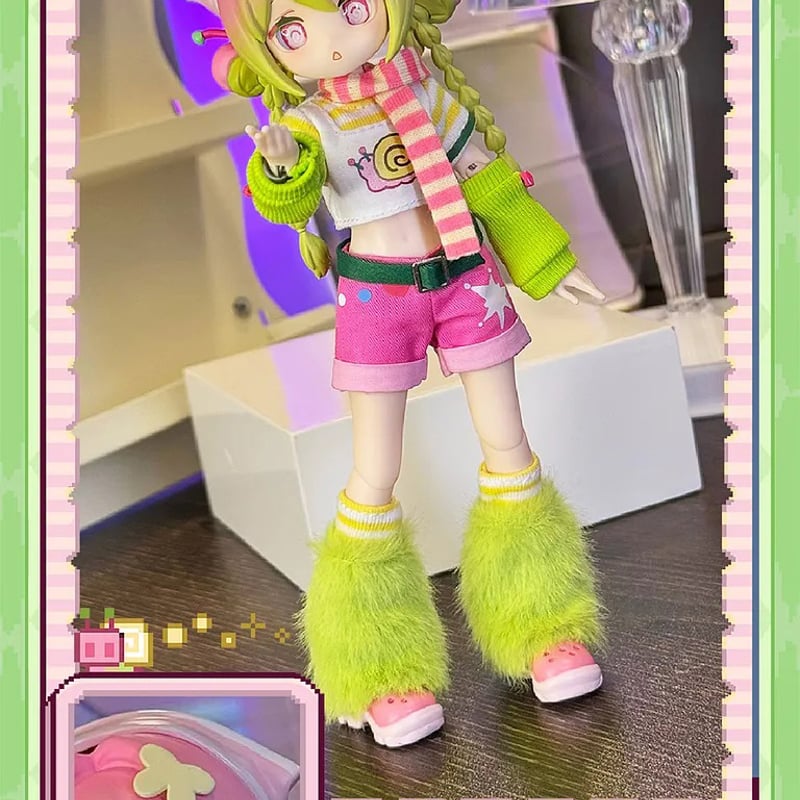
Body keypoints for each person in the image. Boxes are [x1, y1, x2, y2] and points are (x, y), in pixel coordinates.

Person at [195, 0, 605, 748]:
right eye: (293, 31)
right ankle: (375, 664)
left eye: (352, 8)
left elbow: (489, 182)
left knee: (509, 444)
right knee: (374, 470)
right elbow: (289, 197)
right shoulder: (313, 124)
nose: (332, 40)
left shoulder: (430, 95)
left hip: (466, 277)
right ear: (268, 50)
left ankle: (542, 625)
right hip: (377, 295)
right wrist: (279, 165)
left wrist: (549, 262)